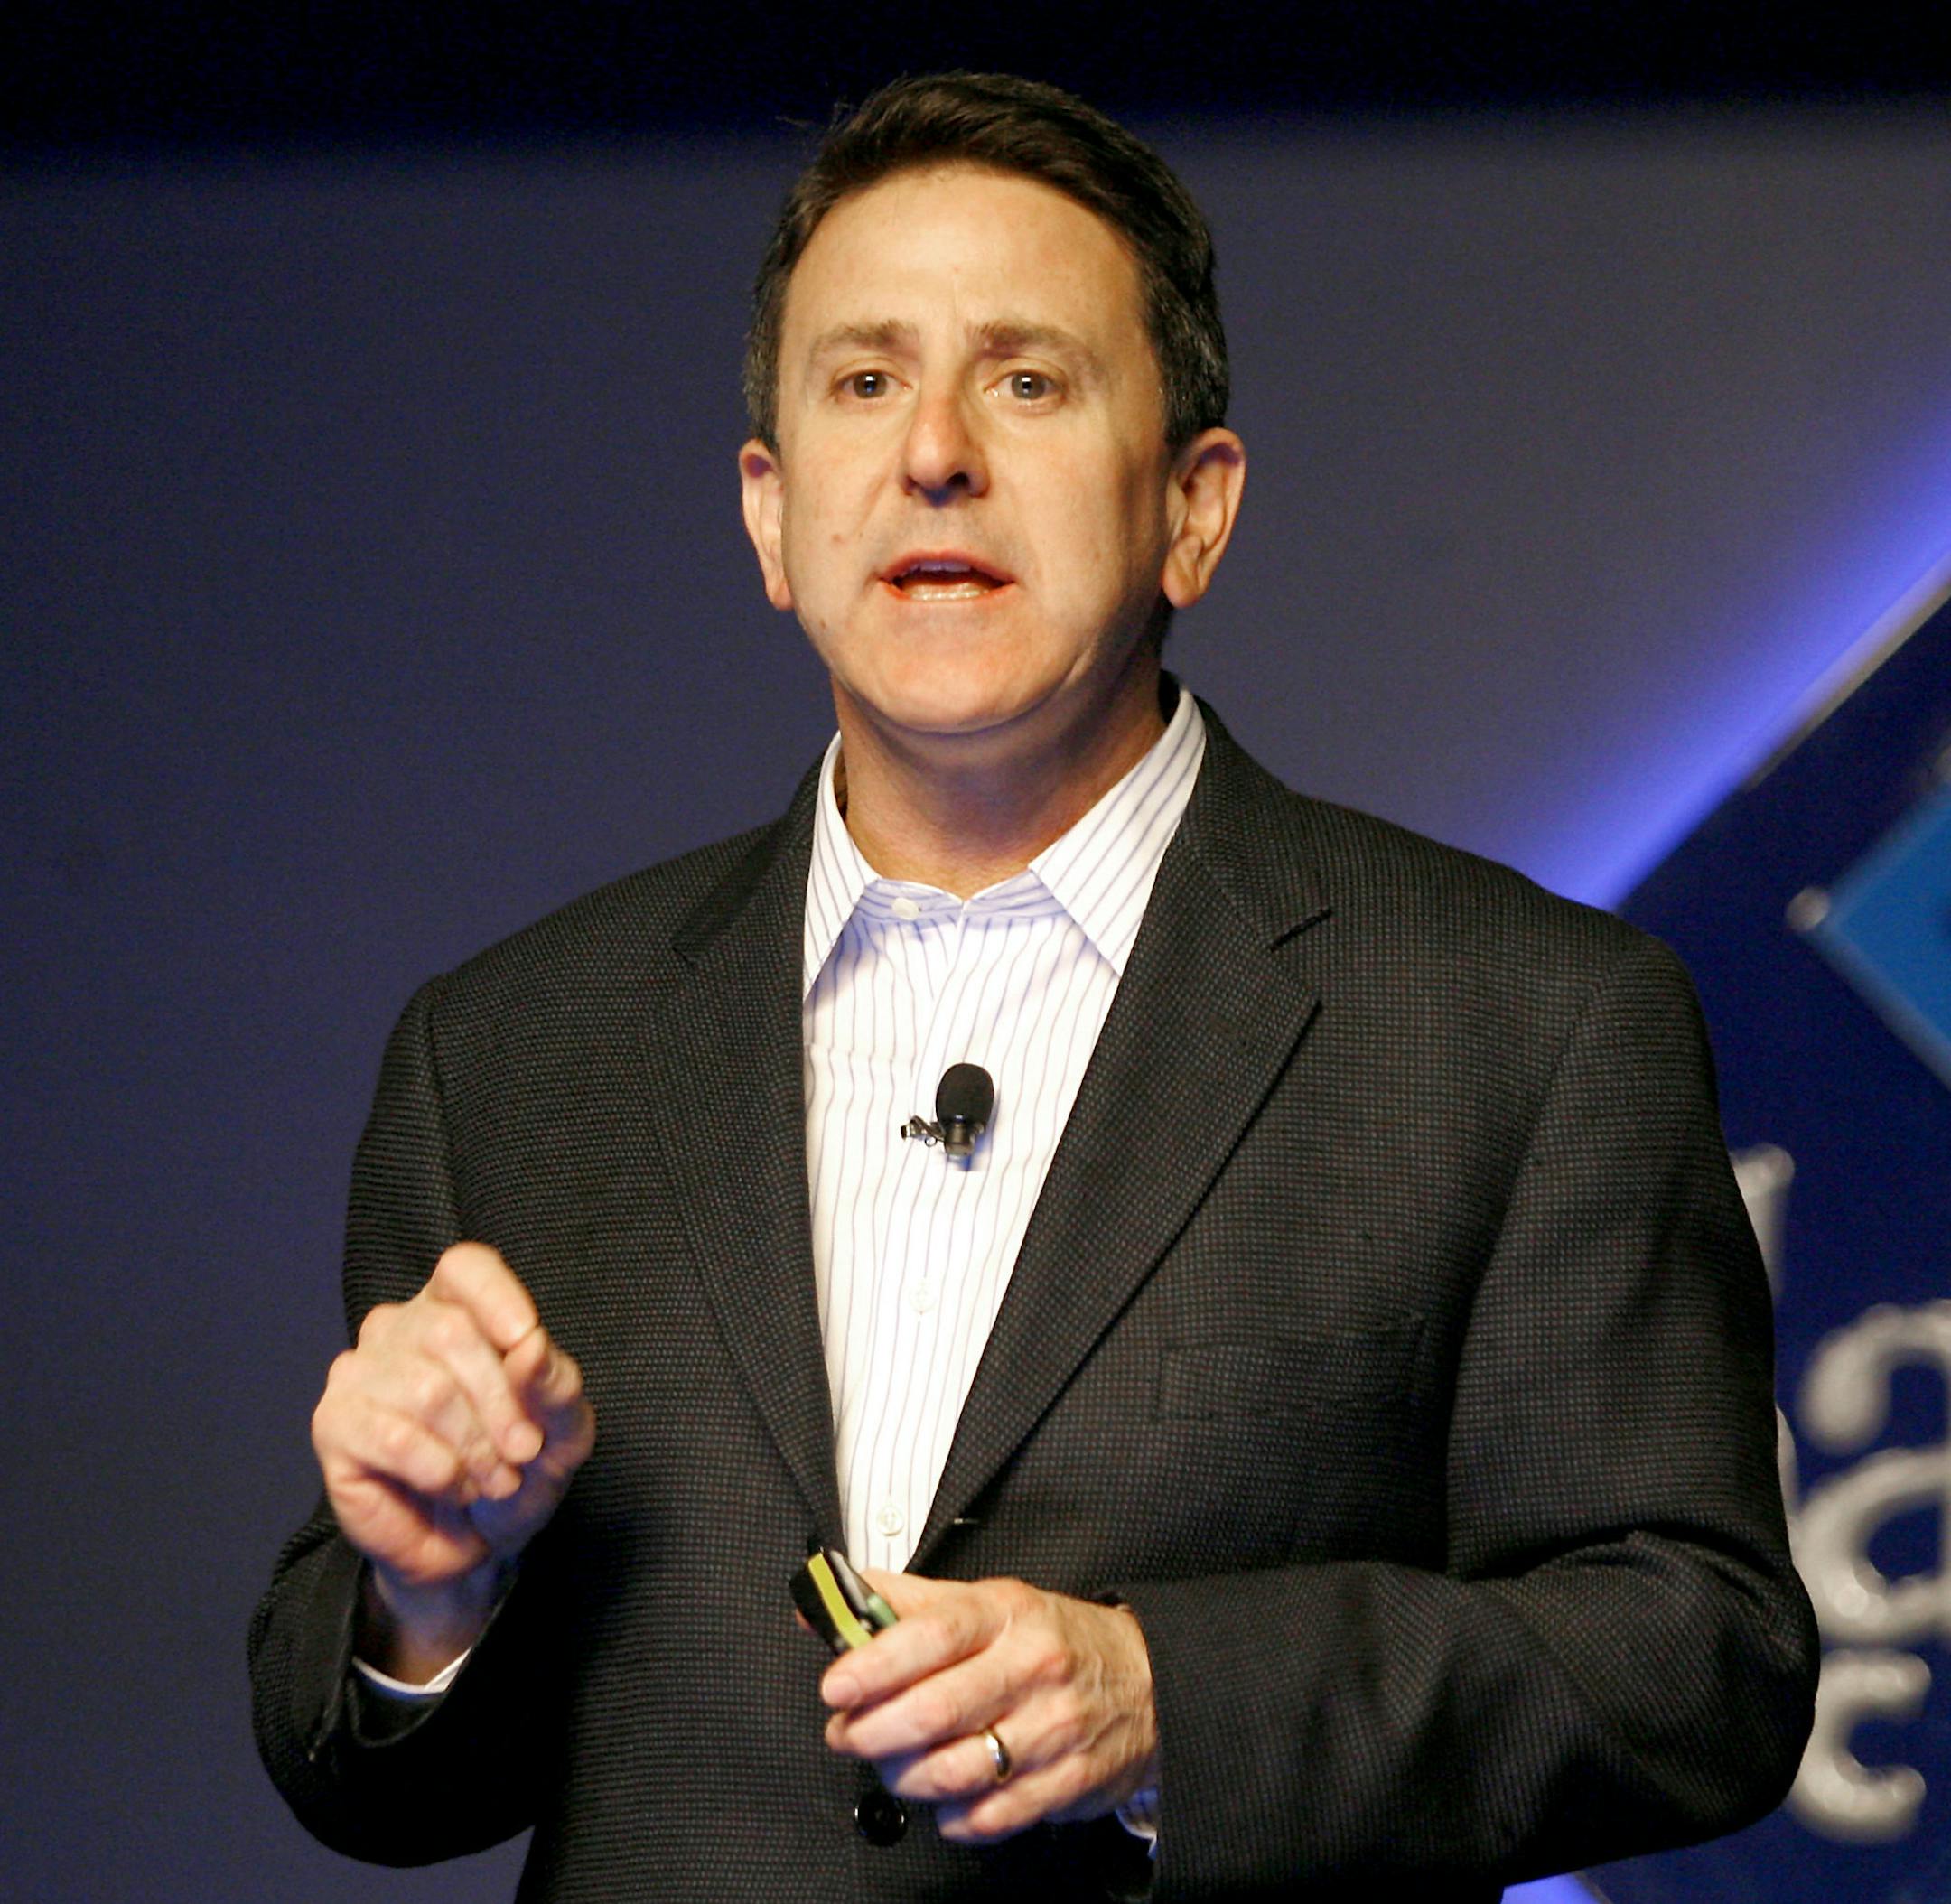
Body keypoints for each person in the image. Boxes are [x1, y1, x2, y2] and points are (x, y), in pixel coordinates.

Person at [251, 71, 1817, 1902]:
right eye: (862, 380)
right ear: (769, 516)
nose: (932, 451)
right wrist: (431, 1583)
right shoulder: (512, 1056)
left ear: (1195, 512)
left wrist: (1171, 1699)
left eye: (1027, 379)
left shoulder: (1523, 1023)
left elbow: (1697, 1662)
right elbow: (366, 1773)